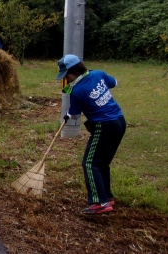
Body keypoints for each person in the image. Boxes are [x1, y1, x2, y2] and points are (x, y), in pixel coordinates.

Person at [57, 54, 126, 214]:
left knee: (90, 163)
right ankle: (107, 197)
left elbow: (74, 114)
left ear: (73, 72)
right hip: (120, 122)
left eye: (66, 75)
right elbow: (114, 82)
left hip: (104, 126)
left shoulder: (78, 90)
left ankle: (99, 202)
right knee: (102, 163)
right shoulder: (98, 73)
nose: (66, 79)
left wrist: (67, 114)